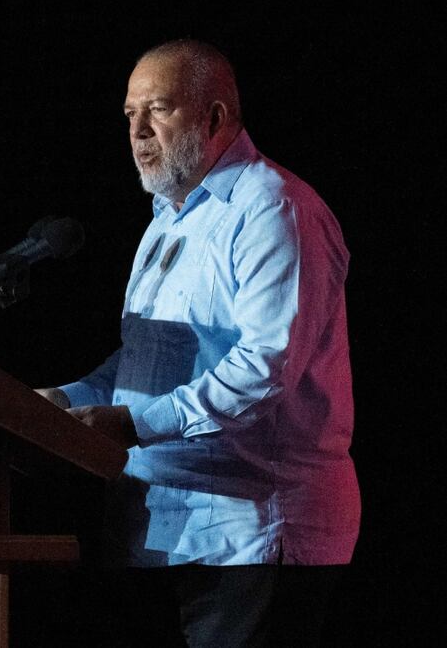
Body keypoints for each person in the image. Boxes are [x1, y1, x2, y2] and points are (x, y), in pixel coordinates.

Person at [36, 39, 360, 646]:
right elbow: (144, 360)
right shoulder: (167, 218)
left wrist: (131, 424)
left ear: (214, 116)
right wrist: (56, 400)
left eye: (157, 109)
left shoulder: (274, 209)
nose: (137, 131)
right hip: (158, 529)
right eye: (129, 115)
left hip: (252, 535)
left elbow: (263, 370)